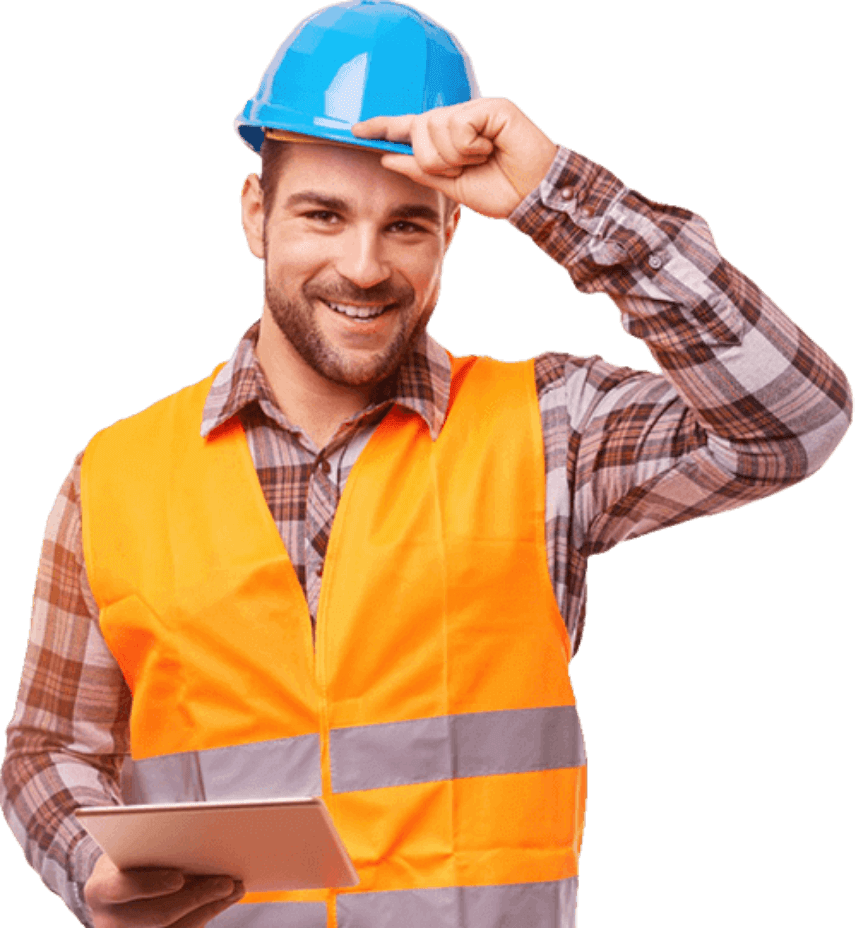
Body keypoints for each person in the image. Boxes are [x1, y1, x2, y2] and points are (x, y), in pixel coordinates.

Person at [1, 2, 851, 926]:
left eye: (406, 224)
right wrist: (89, 868)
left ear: (451, 232)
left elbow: (793, 421)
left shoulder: (549, 432)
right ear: (256, 215)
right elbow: (48, 748)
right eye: (323, 214)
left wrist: (555, 194)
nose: (363, 267)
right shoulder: (115, 475)